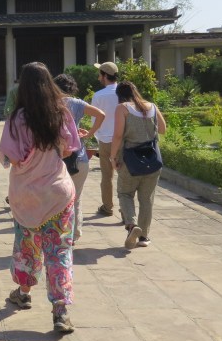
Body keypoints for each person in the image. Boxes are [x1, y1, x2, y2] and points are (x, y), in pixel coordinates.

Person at [0, 62, 81, 334]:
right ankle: (60, 310)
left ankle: (23, 293)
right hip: (58, 194)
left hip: (26, 195)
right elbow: (68, 150)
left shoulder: (17, 119)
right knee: (59, 252)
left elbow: (10, 158)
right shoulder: (61, 113)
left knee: (27, 248)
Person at [110, 80, 167, 249]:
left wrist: (112, 157)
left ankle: (131, 225)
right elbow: (163, 129)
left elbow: (118, 135)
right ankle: (143, 237)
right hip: (152, 160)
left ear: (119, 95)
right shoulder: (152, 106)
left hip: (130, 160)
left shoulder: (122, 108)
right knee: (146, 199)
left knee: (125, 193)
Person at [53, 74, 106, 241]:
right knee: (76, 198)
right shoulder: (77, 103)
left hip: (57, 158)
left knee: (57, 199)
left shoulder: (50, 104)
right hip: (79, 156)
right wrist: (90, 133)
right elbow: (101, 114)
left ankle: (61, 232)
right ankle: (75, 233)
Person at [90, 61, 120, 217]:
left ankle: (108, 207)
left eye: (99, 74)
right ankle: (126, 210)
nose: (98, 77)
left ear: (104, 76)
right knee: (125, 176)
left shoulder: (99, 95)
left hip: (106, 140)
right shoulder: (124, 93)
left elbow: (94, 120)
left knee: (107, 176)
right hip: (123, 140)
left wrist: (95, 135)